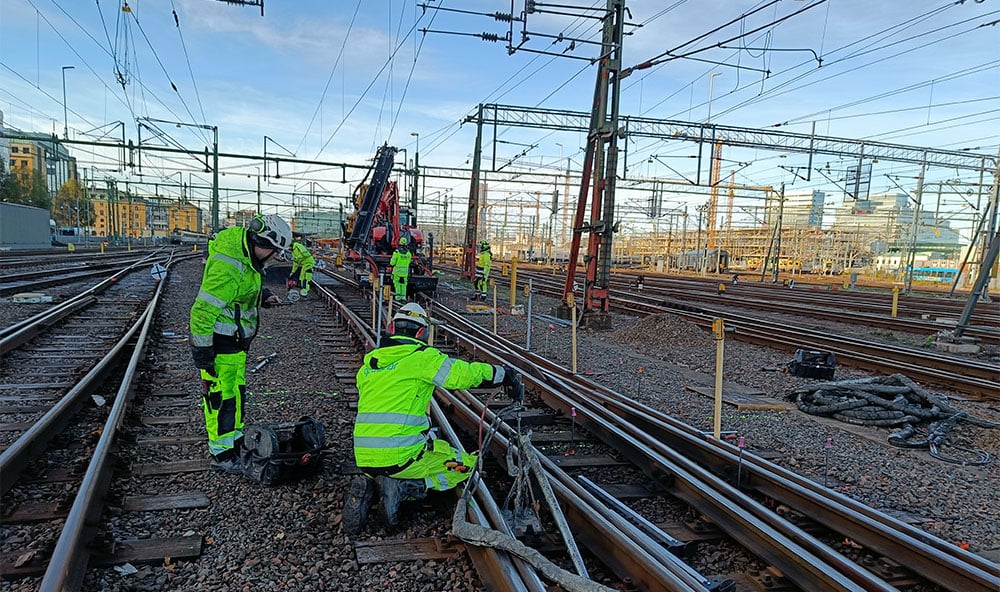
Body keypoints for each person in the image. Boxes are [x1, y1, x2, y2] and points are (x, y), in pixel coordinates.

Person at [343, 302, 520, 534]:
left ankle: (370, 486)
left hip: (364, 457)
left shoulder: (369, 366)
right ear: (421, 333)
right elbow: (462, 375)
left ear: (392, 329)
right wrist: (503, 374)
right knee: (466, 466)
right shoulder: (422, 358)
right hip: (401, 459)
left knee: (407, 455)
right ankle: (406, 487)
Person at [189, 213, 292, 473]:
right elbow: (202, 312)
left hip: (235, 343)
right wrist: (203, 353)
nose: (275, 258)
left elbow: (241, 292)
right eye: (275, 252)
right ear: (264, 244)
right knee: (220, 400)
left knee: (235, 396)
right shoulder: (230, 265)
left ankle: (234, 443)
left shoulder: (247, 258)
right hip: (220, 343)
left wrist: (263, 296)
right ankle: (222, 455)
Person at [289, 234, 316, 298]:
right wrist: (292, 272)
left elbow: (305, 254)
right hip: (305, 264)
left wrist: (297, 258)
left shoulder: (298, 246)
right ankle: (304, 292)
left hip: (309, 263)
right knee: (301, 278)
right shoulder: (293, 251)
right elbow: (296, 263)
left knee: (306, 278)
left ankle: (305, 293)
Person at [388, 236, 412, 303]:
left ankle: (398, 298)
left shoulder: (396, 253)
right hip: (405, 273)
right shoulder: (408, 254)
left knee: (397, 285)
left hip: (397, 272)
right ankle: (403, 298)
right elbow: (409, 262)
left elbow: (392, 263)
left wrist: (391, 264)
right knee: (404, 286)